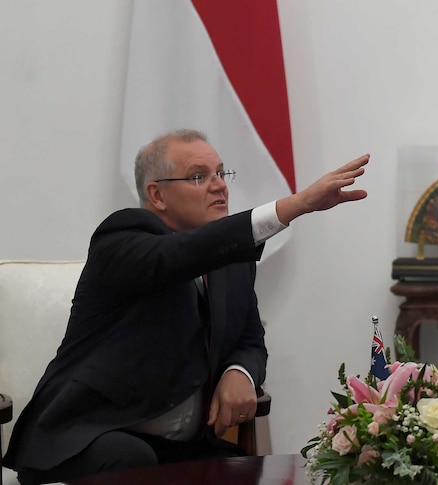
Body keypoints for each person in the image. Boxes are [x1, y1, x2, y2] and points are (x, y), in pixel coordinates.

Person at [3, 129, 370, 484]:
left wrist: (239, 372)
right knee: (133, 461)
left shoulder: (234, 261)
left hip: (181, 447)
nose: (219, 184)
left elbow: (250, 339)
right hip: (86, 437)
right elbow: (176, 256)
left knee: (253, 472)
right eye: (199, 176)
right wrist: (294, 205)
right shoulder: (121, 237)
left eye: (221, 173)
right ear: (157, 195)